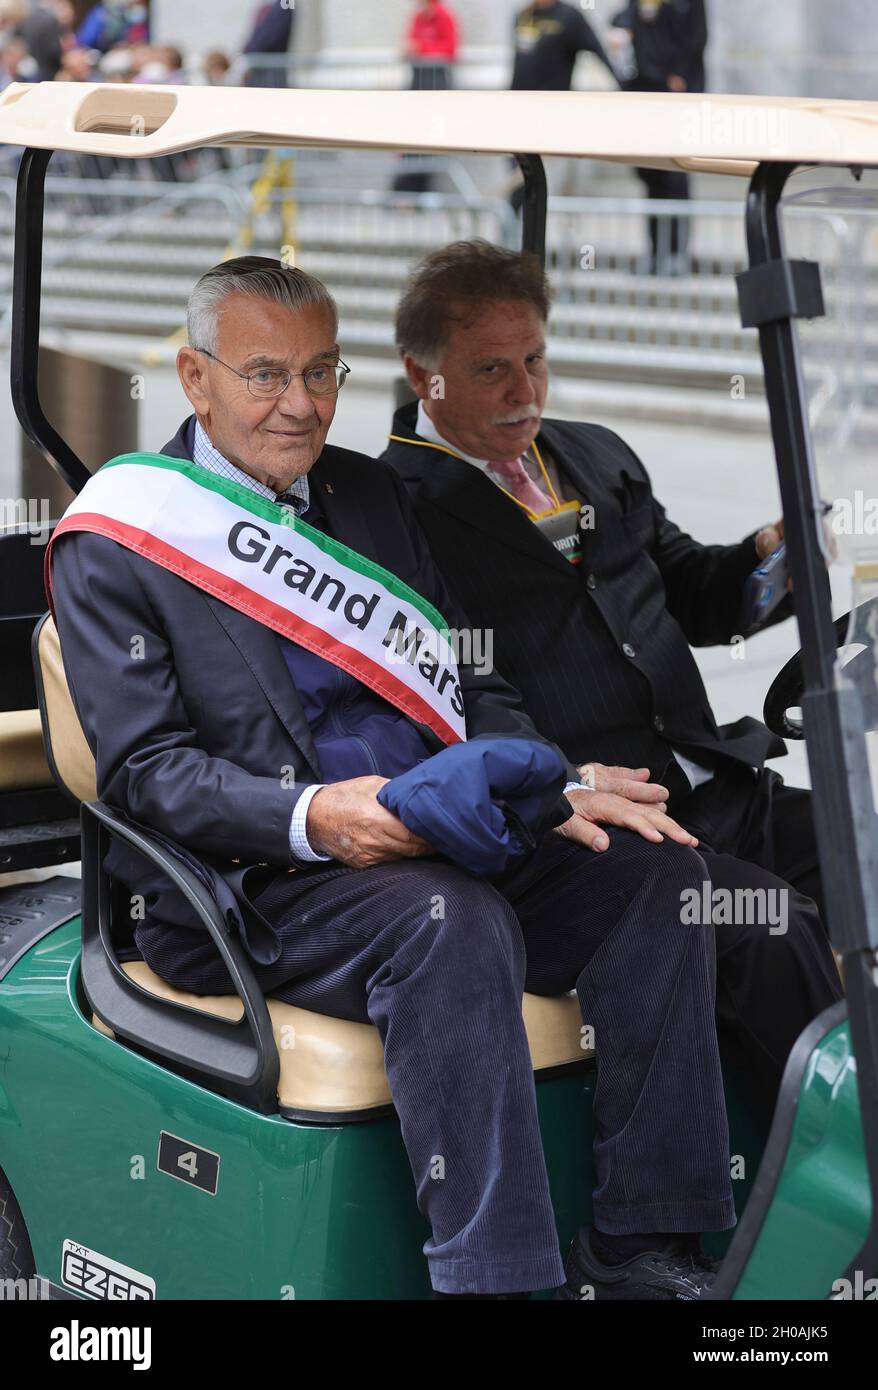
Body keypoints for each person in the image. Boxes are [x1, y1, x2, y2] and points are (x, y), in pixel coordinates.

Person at [50, 254, 738, 1301]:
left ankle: (646, 1237)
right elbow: (147, 775)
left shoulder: (368, 493)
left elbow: (467, 674)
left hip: (434, 833)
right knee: (445, 921)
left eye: (322, 372)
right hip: (257, 879)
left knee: (657, 875)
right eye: (265, 375)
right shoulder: (124, 541)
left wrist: (553, 778)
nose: (301, 404)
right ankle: (496, 1278)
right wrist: (316, 816)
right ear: (194, 380)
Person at [381, 239, 844, 1125]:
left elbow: (691, 593)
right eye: (491, 370)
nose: (525, 392)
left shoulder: (593, 455)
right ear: (423, 375)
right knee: (773, 930)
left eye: (535, 361)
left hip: (710, 781)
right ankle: (840, 1173)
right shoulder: (395, 507)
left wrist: (766, 557)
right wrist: (556, 776)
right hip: (607, 826)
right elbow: (450, 687)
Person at [609, 0, 708, 274]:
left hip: (676, 98)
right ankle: (655, 249)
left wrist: (679, 75)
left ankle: (677, 252)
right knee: (651, 176)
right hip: (645, 96)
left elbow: (696, 38)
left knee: (676, 176)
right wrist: (620, 31)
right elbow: (624, 18)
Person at [392, 1, 459, 195]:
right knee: (410, 138)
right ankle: (405, 191)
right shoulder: (418, 16)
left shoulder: (444, 15)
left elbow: (450, 49)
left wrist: (421, 48)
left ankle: (418, 191)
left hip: (435, 86)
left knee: (427, 140)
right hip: (417, 84)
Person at [242, 0, 294, 89]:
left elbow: (268, 37)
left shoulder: (284, 5)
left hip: (271, 71)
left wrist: (248, 54)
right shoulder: (269, 5)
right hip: (260, 68)